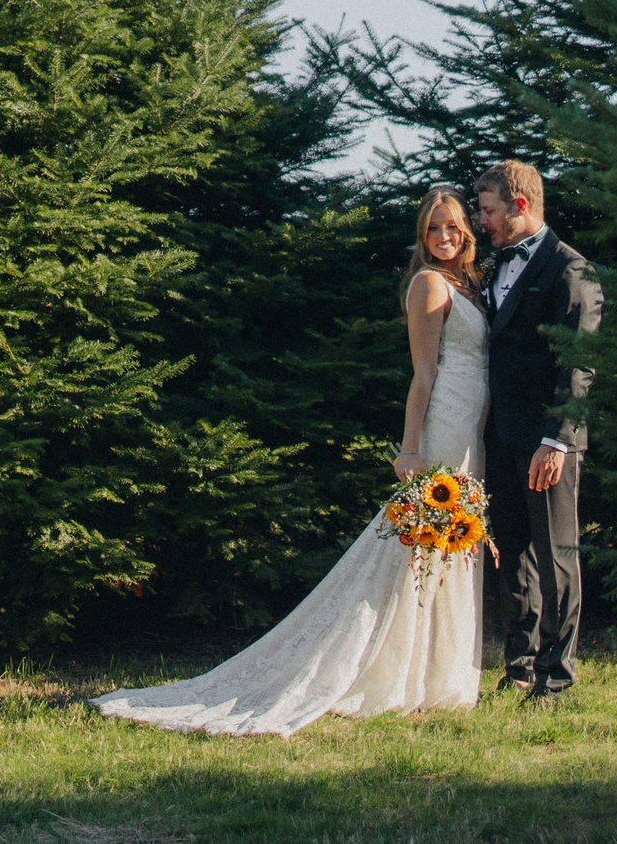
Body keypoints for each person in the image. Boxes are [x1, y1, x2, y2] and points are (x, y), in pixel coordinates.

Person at [91, 185, 491, 736]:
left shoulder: (468, 282)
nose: (444, 237)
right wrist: (411, 447)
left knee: (452, 551)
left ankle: (433, 672)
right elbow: (423, 374)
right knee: (421, 548)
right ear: (421, 237)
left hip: (474, 432)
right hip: (445, 425)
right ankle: (384, 671)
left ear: (465, 228)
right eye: (433, 229)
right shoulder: (427, 284)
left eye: (452, 226)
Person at [476, 159, 603, 698]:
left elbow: (578, 364)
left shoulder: (572, 271)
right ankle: (521, 664)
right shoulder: (494, 264)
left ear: (519, 206)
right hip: (501, 436)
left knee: (556, 558)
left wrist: (557, 441)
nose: (482, 221)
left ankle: (557, 678)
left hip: (547, 442)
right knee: (515, 557)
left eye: (488, 210)